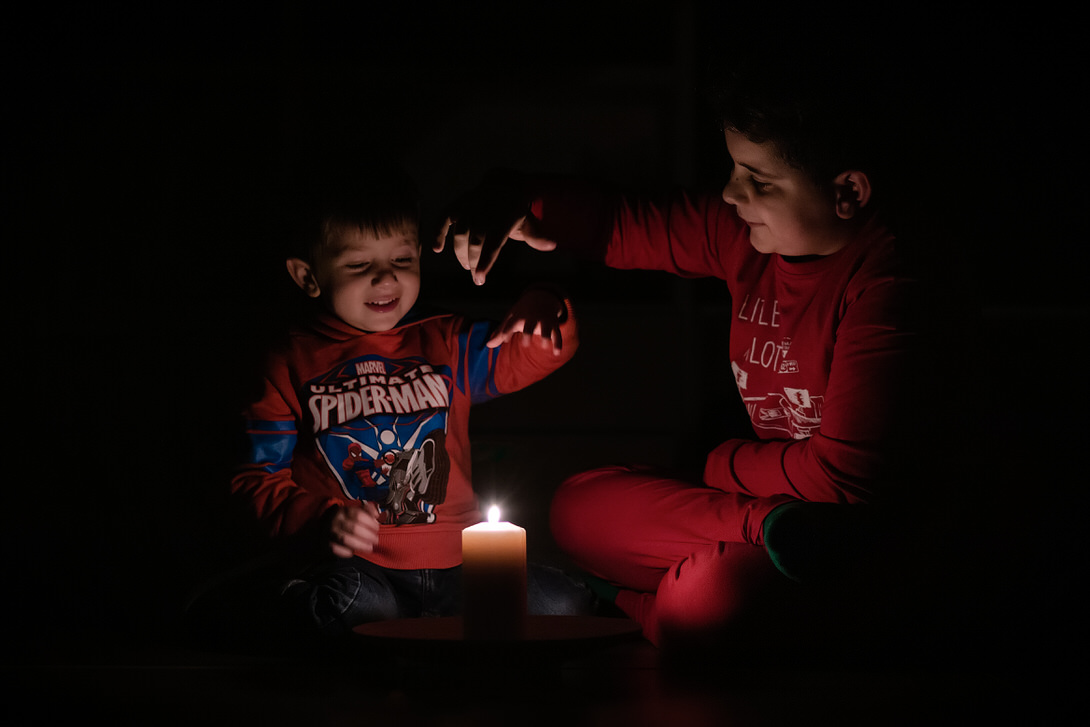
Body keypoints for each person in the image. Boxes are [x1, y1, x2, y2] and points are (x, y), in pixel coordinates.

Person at [433, 50, 924, 653]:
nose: (731, 192)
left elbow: (843, 482)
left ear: (848, 190)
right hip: (766, 513)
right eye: (733, 168)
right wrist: (519, 196)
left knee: (707, 599)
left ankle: (635, 607)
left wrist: (723, 465)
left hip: (861, 543)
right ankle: (751, 548)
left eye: (758, 180)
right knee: (576, 509)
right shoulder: (745, 238)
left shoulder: (889, 286)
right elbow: (632, 223)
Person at [187, 163, 592, 651]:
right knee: (356, 608)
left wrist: (544, 304)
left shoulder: (447, 341)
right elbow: (254, 481)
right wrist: (317, 520)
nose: (385, 278)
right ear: (308, 275)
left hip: (463, 571)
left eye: (402, 260)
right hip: (360, 570)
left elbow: (527, 355)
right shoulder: (288, 361)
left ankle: (417, 638)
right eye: (360, 266)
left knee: (562, 604)